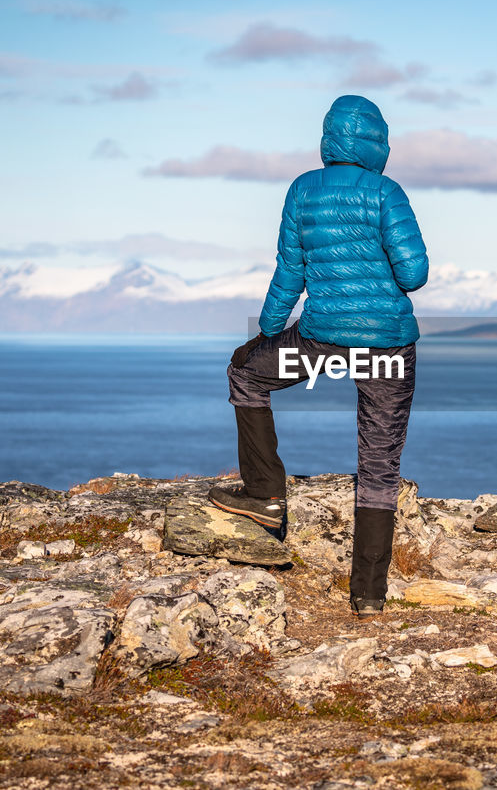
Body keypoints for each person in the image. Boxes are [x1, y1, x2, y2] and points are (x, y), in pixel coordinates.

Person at [210, 95, 428, 619]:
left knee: (246, 373)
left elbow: (290, 273)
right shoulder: (387, 193)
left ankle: (264, 494)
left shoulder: (302, 190)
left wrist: (264, 333)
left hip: (320, 346)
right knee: (378, 466)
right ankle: (368, 595)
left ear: (329, 140)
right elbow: (414, 274)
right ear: (379, 143)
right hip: (387, 352)